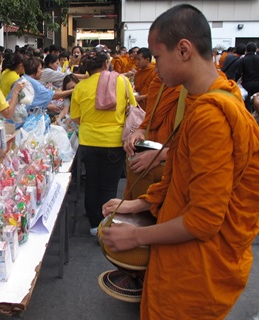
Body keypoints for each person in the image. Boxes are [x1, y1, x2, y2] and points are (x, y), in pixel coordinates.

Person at [101, 5, 259, 319]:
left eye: (158, 57)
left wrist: (136, 235)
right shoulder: (207, 100)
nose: (154, 67)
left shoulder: (212, 116)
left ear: (183, 49)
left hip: (196, 268)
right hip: (183, 256)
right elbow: (182, 178)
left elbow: (203, 220)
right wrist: (141, 204)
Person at [69, 52, 137, 236]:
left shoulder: (80, 87)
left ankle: (93, 223)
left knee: (92, 181)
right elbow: (133, 105)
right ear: (107, 64)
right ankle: (106, 224)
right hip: (114, 140)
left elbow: (75, 117)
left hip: (88, 141)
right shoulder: (121, 81)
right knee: (109, 185)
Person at [7, 57, 74, 115]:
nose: (42, 71)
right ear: (34, 69)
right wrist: (73, 90)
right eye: (40, 69)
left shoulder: (22, 79)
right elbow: (53, 95)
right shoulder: (33, 83)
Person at [235, 42, 259, 112]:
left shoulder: (243, 60)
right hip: (257, 83)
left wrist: (235, 81)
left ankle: (248, 115)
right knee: (256, 100)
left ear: (246, 50)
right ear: (255, 50)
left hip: (247, 84)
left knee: (247, 102)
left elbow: (239, 73)